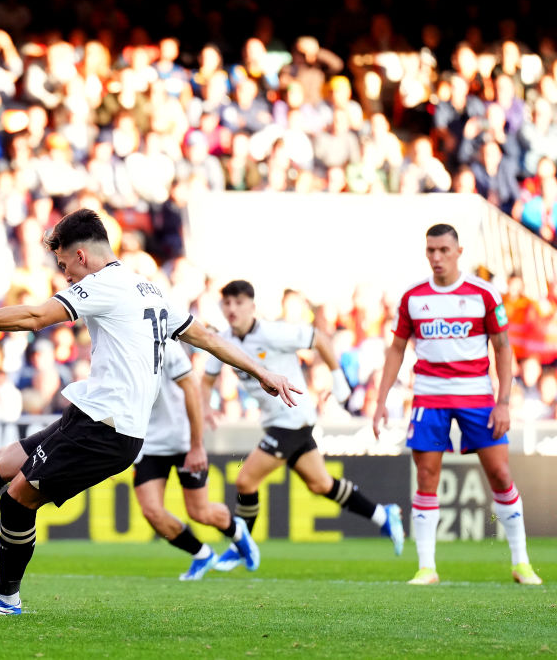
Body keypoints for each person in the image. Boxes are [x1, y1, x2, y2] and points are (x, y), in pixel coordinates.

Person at [0, 208, 300, 615]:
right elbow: (208, 338)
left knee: (16, 499)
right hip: (89, 417)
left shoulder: (105, 284)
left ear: (81, 255)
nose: (66, 277)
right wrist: (262, 372)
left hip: (107, 430)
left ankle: (5, 598)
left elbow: (36, 317)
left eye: (64, 265)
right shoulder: (148, 289)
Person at [372, 224, 542, 586]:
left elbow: (503, 348)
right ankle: (426, 568)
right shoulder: (413, 297)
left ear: (458, 252)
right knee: (426, 477)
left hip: (476, 396)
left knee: (500, 474)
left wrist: (504, 402)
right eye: (430, 250)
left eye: (443, 250)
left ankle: (521, 562)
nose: (436, 257)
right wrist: (381, 399)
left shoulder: (483, 293)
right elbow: (397, 349)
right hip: (428, 397)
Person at [202, 279, 405, 572]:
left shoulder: (273, 332)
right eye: (227, 303)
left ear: (252, 306)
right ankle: (383, 515)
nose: (232, 308)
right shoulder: (224, 340)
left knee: (245, 481)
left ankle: (240, 548)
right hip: (277, 422)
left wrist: (337, 378)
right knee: (321, 484)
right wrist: (205, 406)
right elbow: (207, 379)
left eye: (239, 302)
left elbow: (319, 338)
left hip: (293, 419)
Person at [134, 337, 259, 580]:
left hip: (183, 441)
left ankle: (237, 530)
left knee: (200, 513)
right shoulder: (119, 346)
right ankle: (202, 554)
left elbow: (191, 388)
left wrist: (197, 446)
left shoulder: (166, 346)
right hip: (148, 444)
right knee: (151, 512)